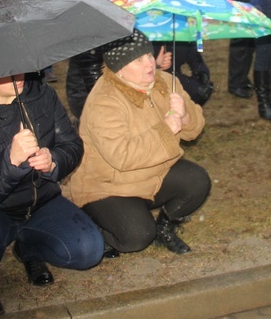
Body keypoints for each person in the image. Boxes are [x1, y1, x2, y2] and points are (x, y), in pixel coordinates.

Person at [0, 73, 103, 316]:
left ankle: (28, 248)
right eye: (6, 71)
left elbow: (72, 145)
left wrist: (53, 161)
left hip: (39, 201)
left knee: (88, 251)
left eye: (20, 67)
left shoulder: (41, 95)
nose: (19, 75)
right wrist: (10, 162)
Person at [69, 29, 210, 256]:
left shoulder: (165, 82)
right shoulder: (104, 101)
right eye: (138, 60)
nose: (149, 65)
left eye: (148, 55)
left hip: (153, 174)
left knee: (197, 181)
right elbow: (122, 157)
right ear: (119, 68)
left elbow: (193, 131)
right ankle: (95, 227)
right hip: (110, 185)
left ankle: (165, 228)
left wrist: (185, 117)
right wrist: (166, 130)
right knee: (137, 237)